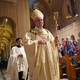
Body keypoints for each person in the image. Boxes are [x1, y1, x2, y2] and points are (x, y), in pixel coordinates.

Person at [25, 9, 60, 80]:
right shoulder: (31, 33)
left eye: (41, 20)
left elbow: (52, 43)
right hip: (39, 59)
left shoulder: (47, 32)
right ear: (35, 22)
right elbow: (26, 43)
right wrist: (37, 42)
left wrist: (55, 42)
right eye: (38, 20)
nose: (41, 21)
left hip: (49, 57)